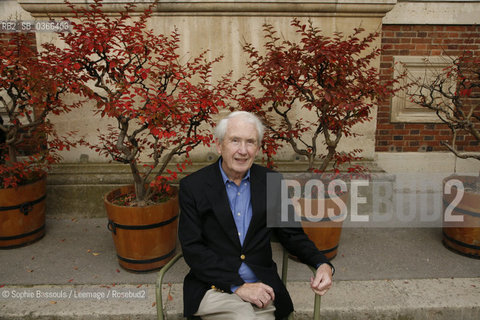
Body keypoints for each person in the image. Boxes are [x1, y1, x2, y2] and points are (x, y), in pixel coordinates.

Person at [178, 111, 334, 320]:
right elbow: (193, 248)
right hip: (213, 288)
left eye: (250, 142)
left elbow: (292, 235)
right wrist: (238, 286)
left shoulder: (272, 182)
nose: (243, 150)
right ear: (219, 145)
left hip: (262, 289)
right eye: (235, 141)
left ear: (258, 148)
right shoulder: (193, 187)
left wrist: (321, 263)